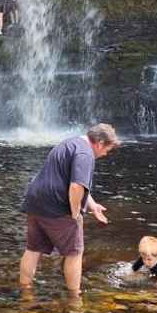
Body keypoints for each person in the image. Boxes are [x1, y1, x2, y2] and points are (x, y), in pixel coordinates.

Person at [18, 123, 120, 297]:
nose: (104, 155)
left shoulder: (70, 143)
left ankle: (24, 291)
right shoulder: (85, 154)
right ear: (100, 142)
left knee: (33, 249)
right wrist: (75, 214)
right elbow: (75, 187)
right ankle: (74, 298)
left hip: (35, 202)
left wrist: (92, 206)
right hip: (56, 206)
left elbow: (68, 180)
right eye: (106, 150)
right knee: (75, 253)